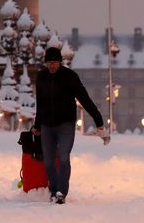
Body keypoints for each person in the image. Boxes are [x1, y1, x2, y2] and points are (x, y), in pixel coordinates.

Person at [32, 46, 109, 204]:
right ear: (46, 63)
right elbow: (40, 103)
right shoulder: (41, 77)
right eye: (49, 63)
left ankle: (61, 193)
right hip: (47, 125)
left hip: (65, 124)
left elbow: (84, 99)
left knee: (64, 157)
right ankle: (54, 190)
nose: (52, 66)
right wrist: (37, 125)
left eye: (55, 62)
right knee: (48, 160)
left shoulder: (70, 77)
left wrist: (98, 120)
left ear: (60, 62)